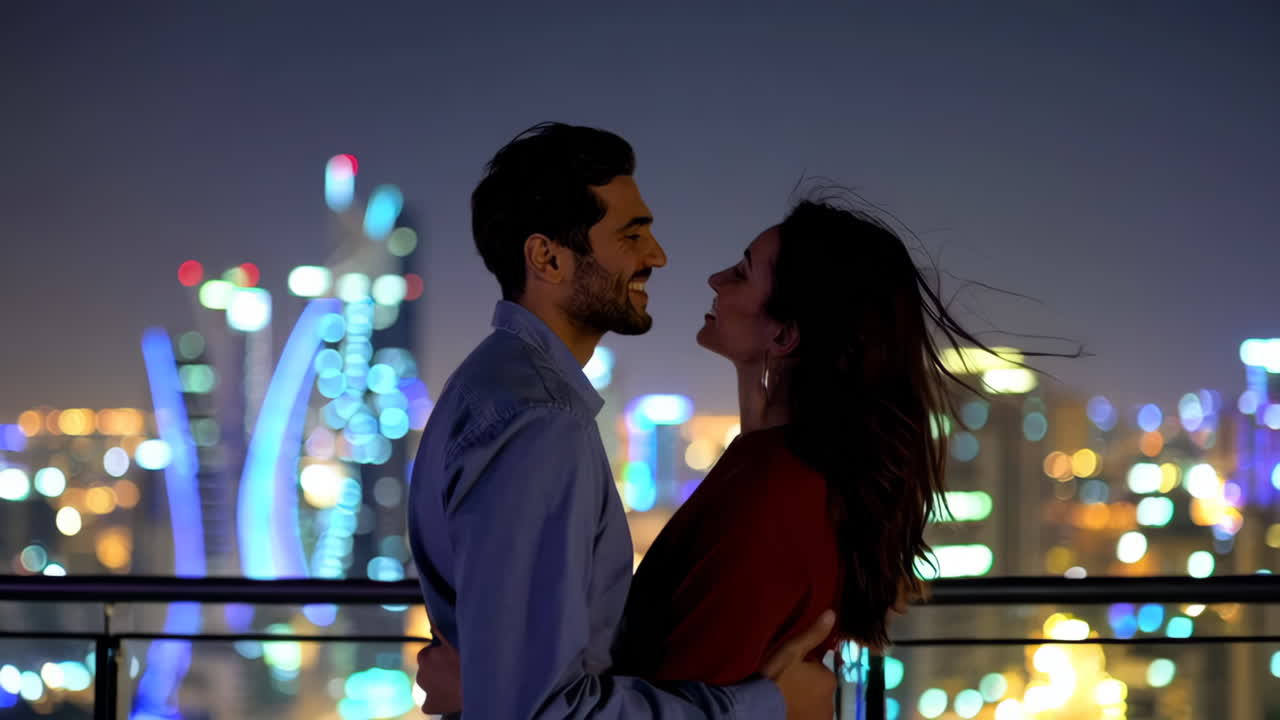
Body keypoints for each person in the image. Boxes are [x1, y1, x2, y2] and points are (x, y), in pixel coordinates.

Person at [406, 122, 837, 719]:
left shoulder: (493, 386)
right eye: (631, 235)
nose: (656, 256)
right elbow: (545, 712)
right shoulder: (540, 422)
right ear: (548, 258)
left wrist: (483, 687)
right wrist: (761, 706)